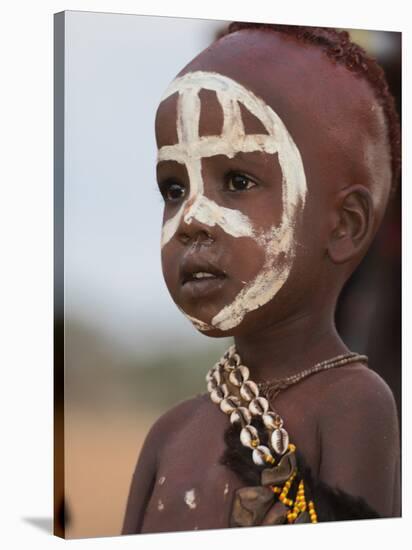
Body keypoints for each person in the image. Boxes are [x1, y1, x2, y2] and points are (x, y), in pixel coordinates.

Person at [122, 22, 401, 534]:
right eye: (174, 188)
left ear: (344, 225)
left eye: (237, 181)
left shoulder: (353, 404)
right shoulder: (168, 435)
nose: (192, 219)